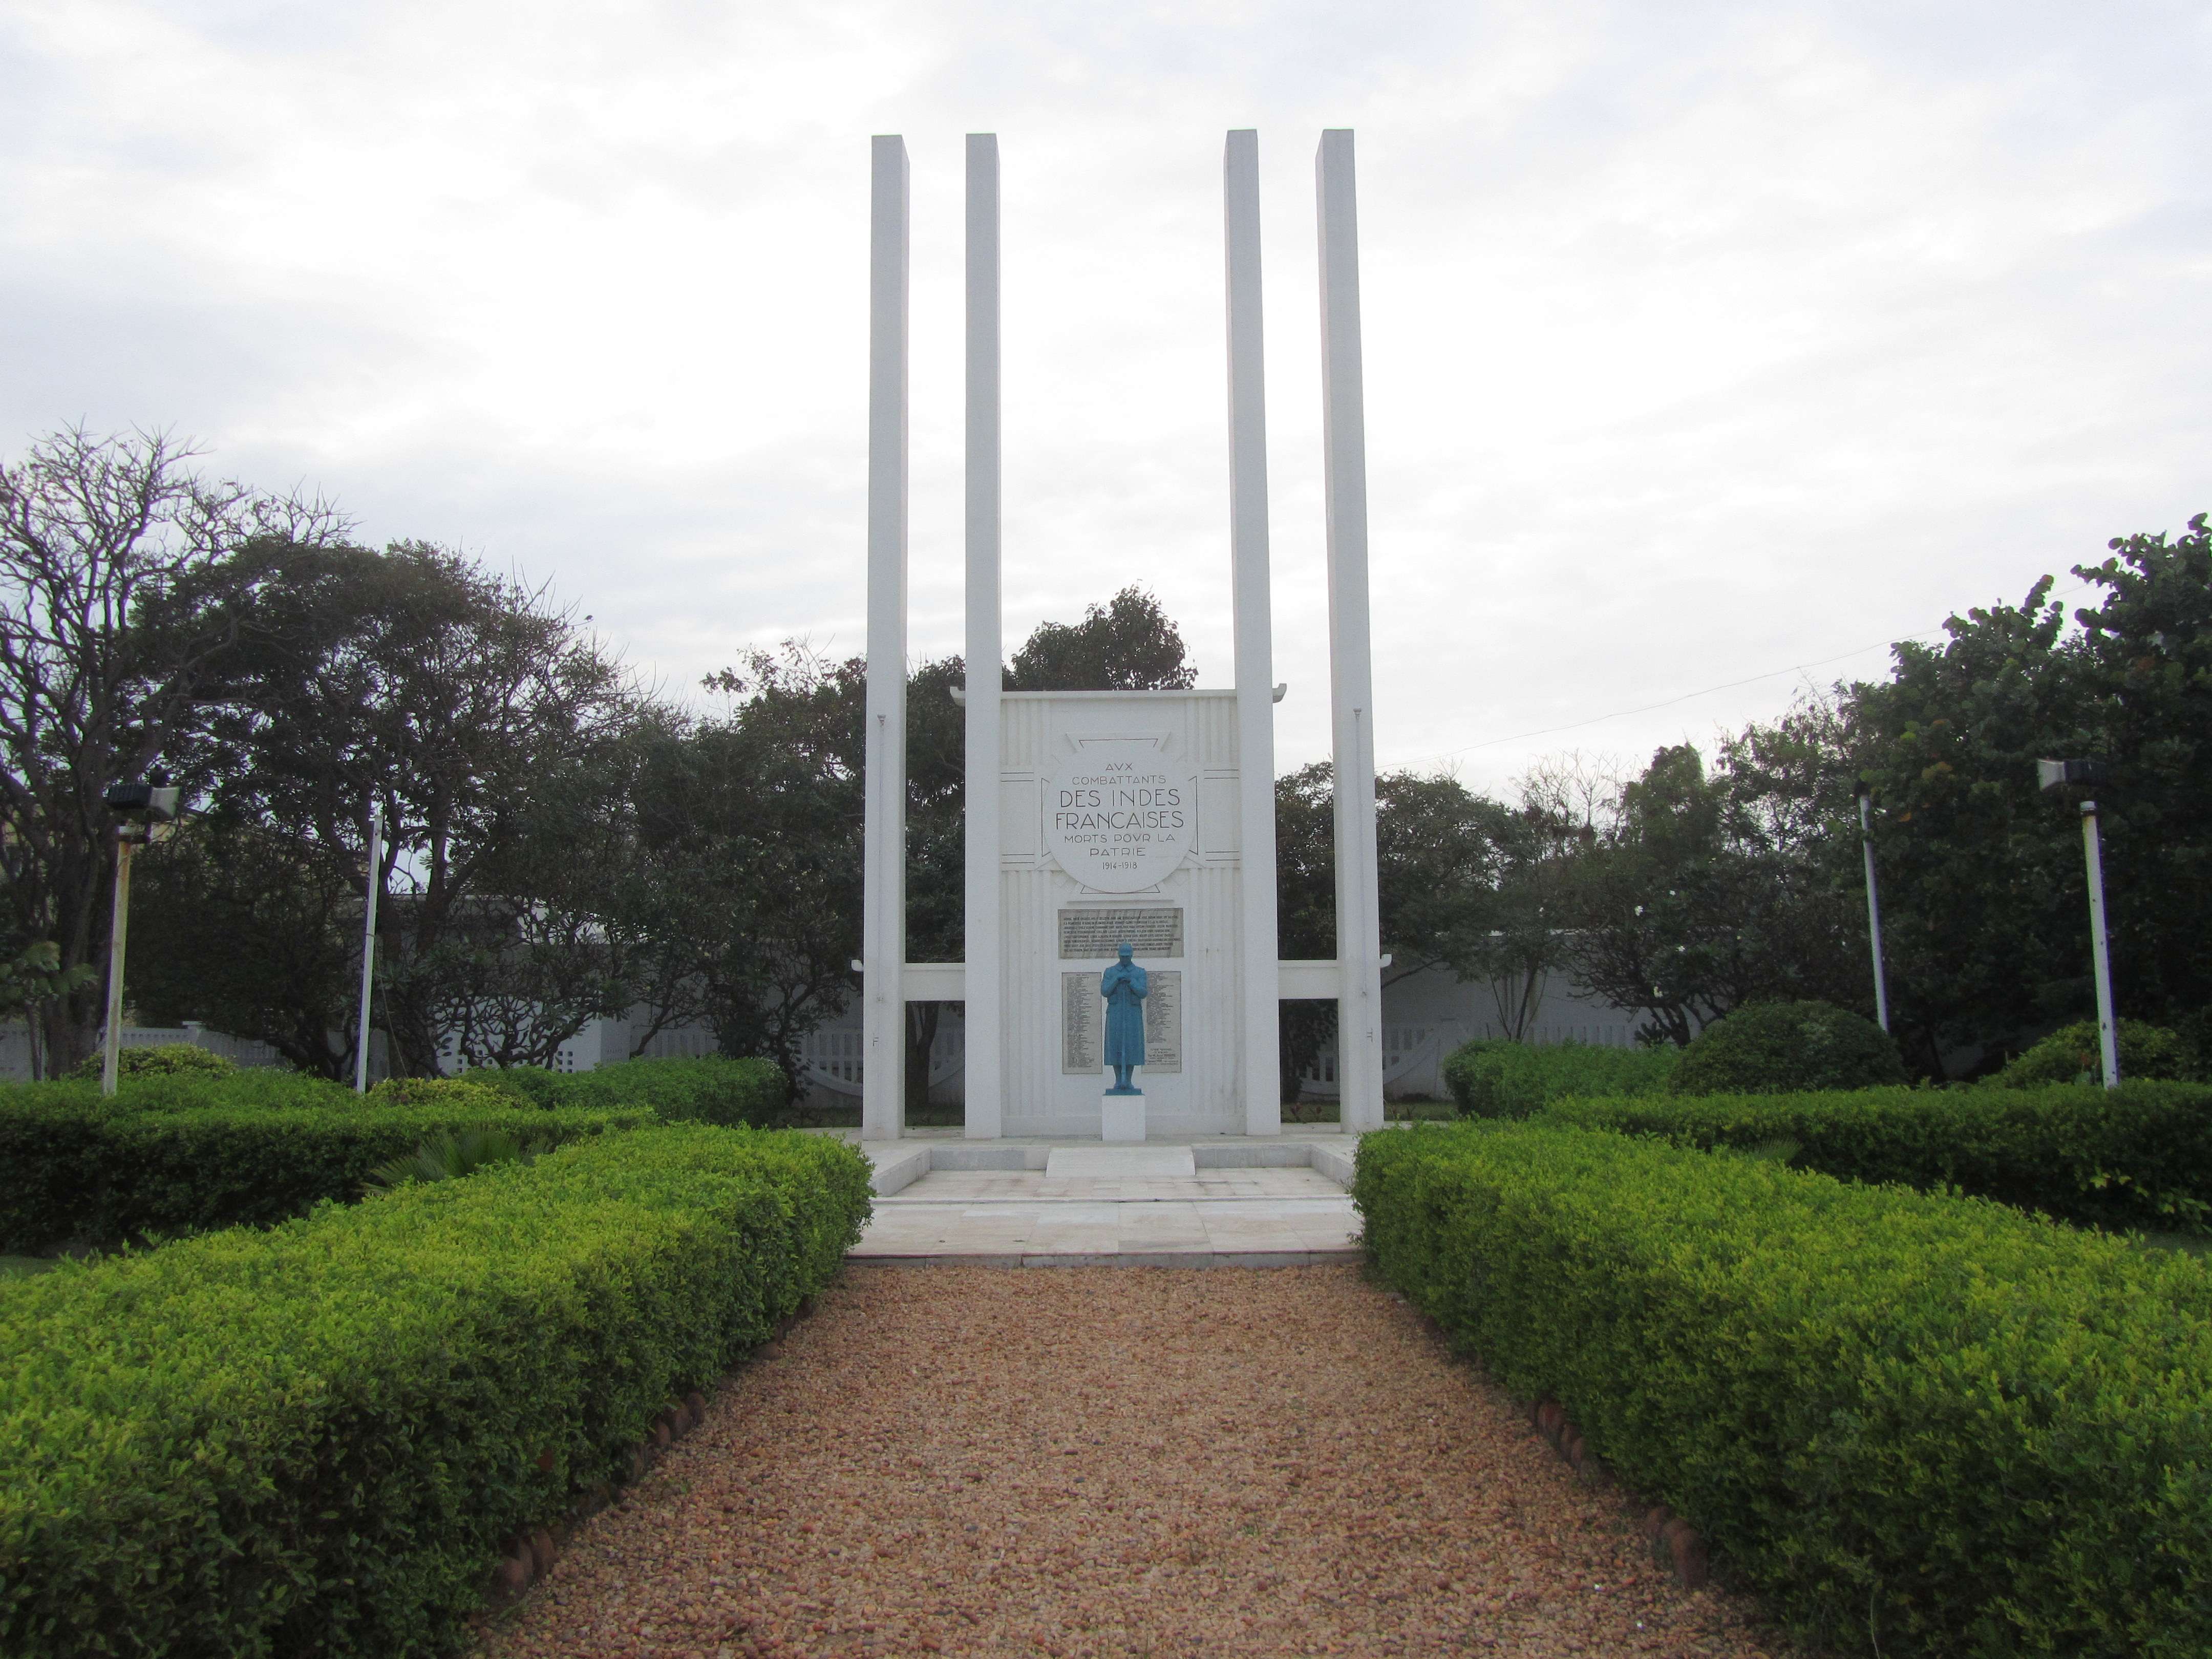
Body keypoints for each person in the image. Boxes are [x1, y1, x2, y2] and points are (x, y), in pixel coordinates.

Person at [1100, 941, 1148, 1094]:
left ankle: (1128, 1081)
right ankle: (1117, 1080)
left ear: (1132, 955)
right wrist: (1117, 979)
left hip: (1132, 1014)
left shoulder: (1140, 972)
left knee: (1132, 1046)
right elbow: (1105, 991)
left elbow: (1143, 992)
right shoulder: (1110, 972)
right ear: (1119, 955)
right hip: (1116, 1013)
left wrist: (1131, 981)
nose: (1125, 959)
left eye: (1128, 956)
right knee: (1115, 1045)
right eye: (1123, 956)